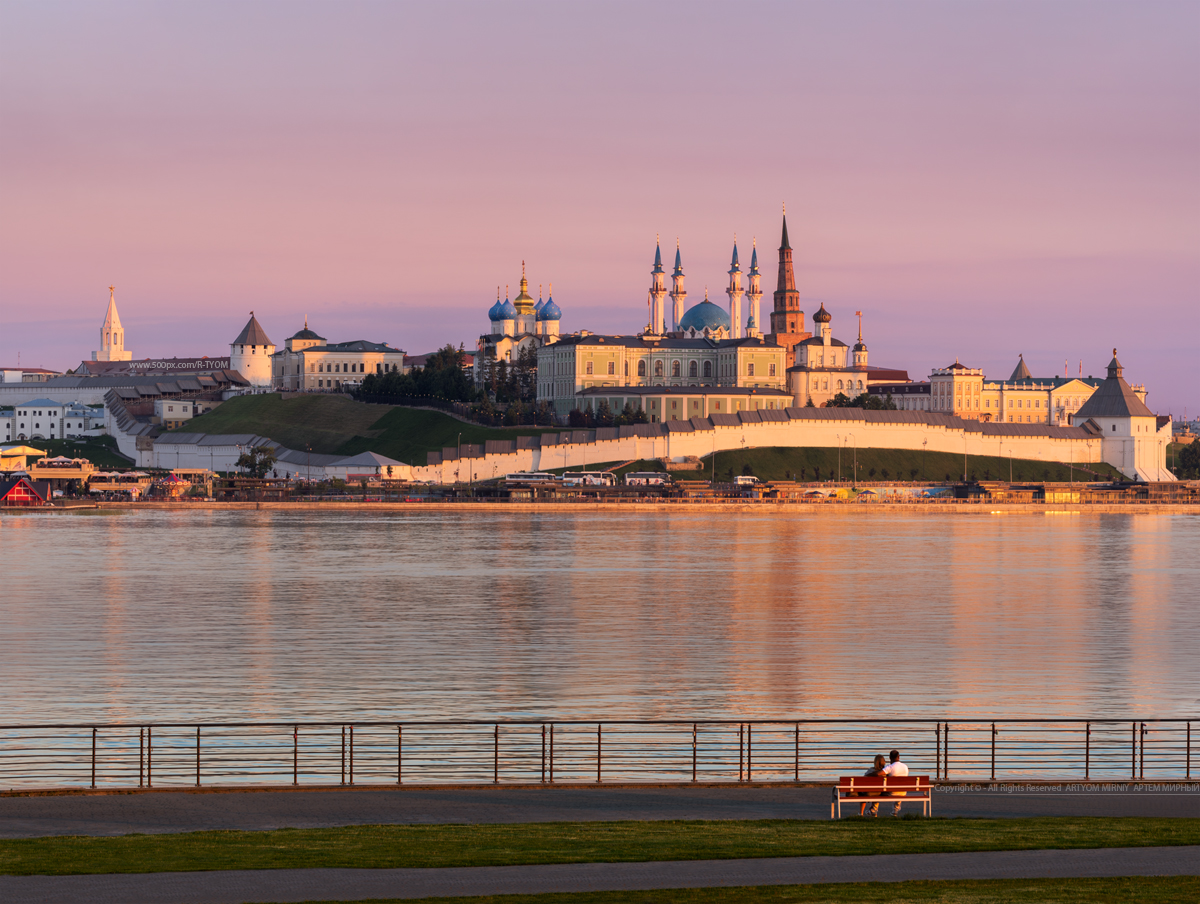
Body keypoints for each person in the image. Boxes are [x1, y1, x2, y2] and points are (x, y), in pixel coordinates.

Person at [870, 749, 909, 816]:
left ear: (890, 758)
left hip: (891, 793)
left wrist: (869, 774)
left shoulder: (890, 767)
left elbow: (878, 774)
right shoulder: (905, 767)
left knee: (877, 792)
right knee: (899, 789)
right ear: (898, 757)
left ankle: (873, 810)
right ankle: (895, 811)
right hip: (903, 792)